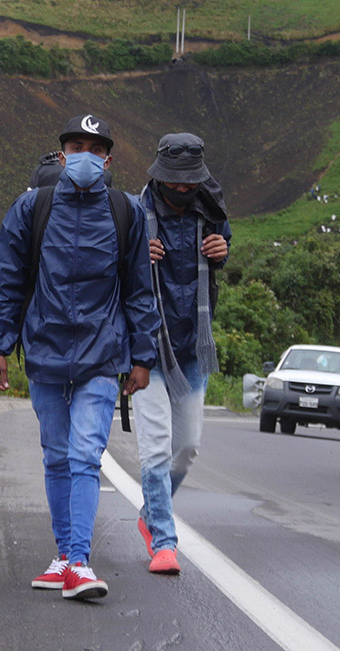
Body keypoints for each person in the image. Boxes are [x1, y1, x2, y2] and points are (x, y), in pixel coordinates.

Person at [0, 115, 160, 601]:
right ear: (62, 155)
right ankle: (64, 556)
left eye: (95, 147)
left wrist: (142, 357)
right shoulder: (30, 208)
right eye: (76, 145)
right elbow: (10, 283)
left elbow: (139, 292)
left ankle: (79, 561)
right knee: (56, 456)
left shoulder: (127, 212)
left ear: (108, 158)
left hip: (102, 354)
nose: (85, 154)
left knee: (86, 455)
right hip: (44, 348)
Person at [132, 132, 232, 575]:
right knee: (155, 447)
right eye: (175, 182)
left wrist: (221, 250)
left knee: (187, 446)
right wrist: (134, 256)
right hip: (147, 346)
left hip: (192, 344)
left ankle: (150, 513)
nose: (181, 189)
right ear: (160, 176)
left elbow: (223, 248)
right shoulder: (135, 214)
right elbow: (112, 270)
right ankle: (164, 542)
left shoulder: (211, 208)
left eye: (188, 182)